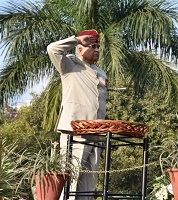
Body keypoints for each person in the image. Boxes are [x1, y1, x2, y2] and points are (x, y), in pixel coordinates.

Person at [47, 29, 108, 200]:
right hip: (75, 131)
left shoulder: (101, 72)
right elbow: (52, 49)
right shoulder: (70, 64)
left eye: (97, 46)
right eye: (92, 46)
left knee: (89, 183)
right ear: (80, 49)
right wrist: (76, 40)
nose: (96, 49)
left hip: (96, 132)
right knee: (71, 181)